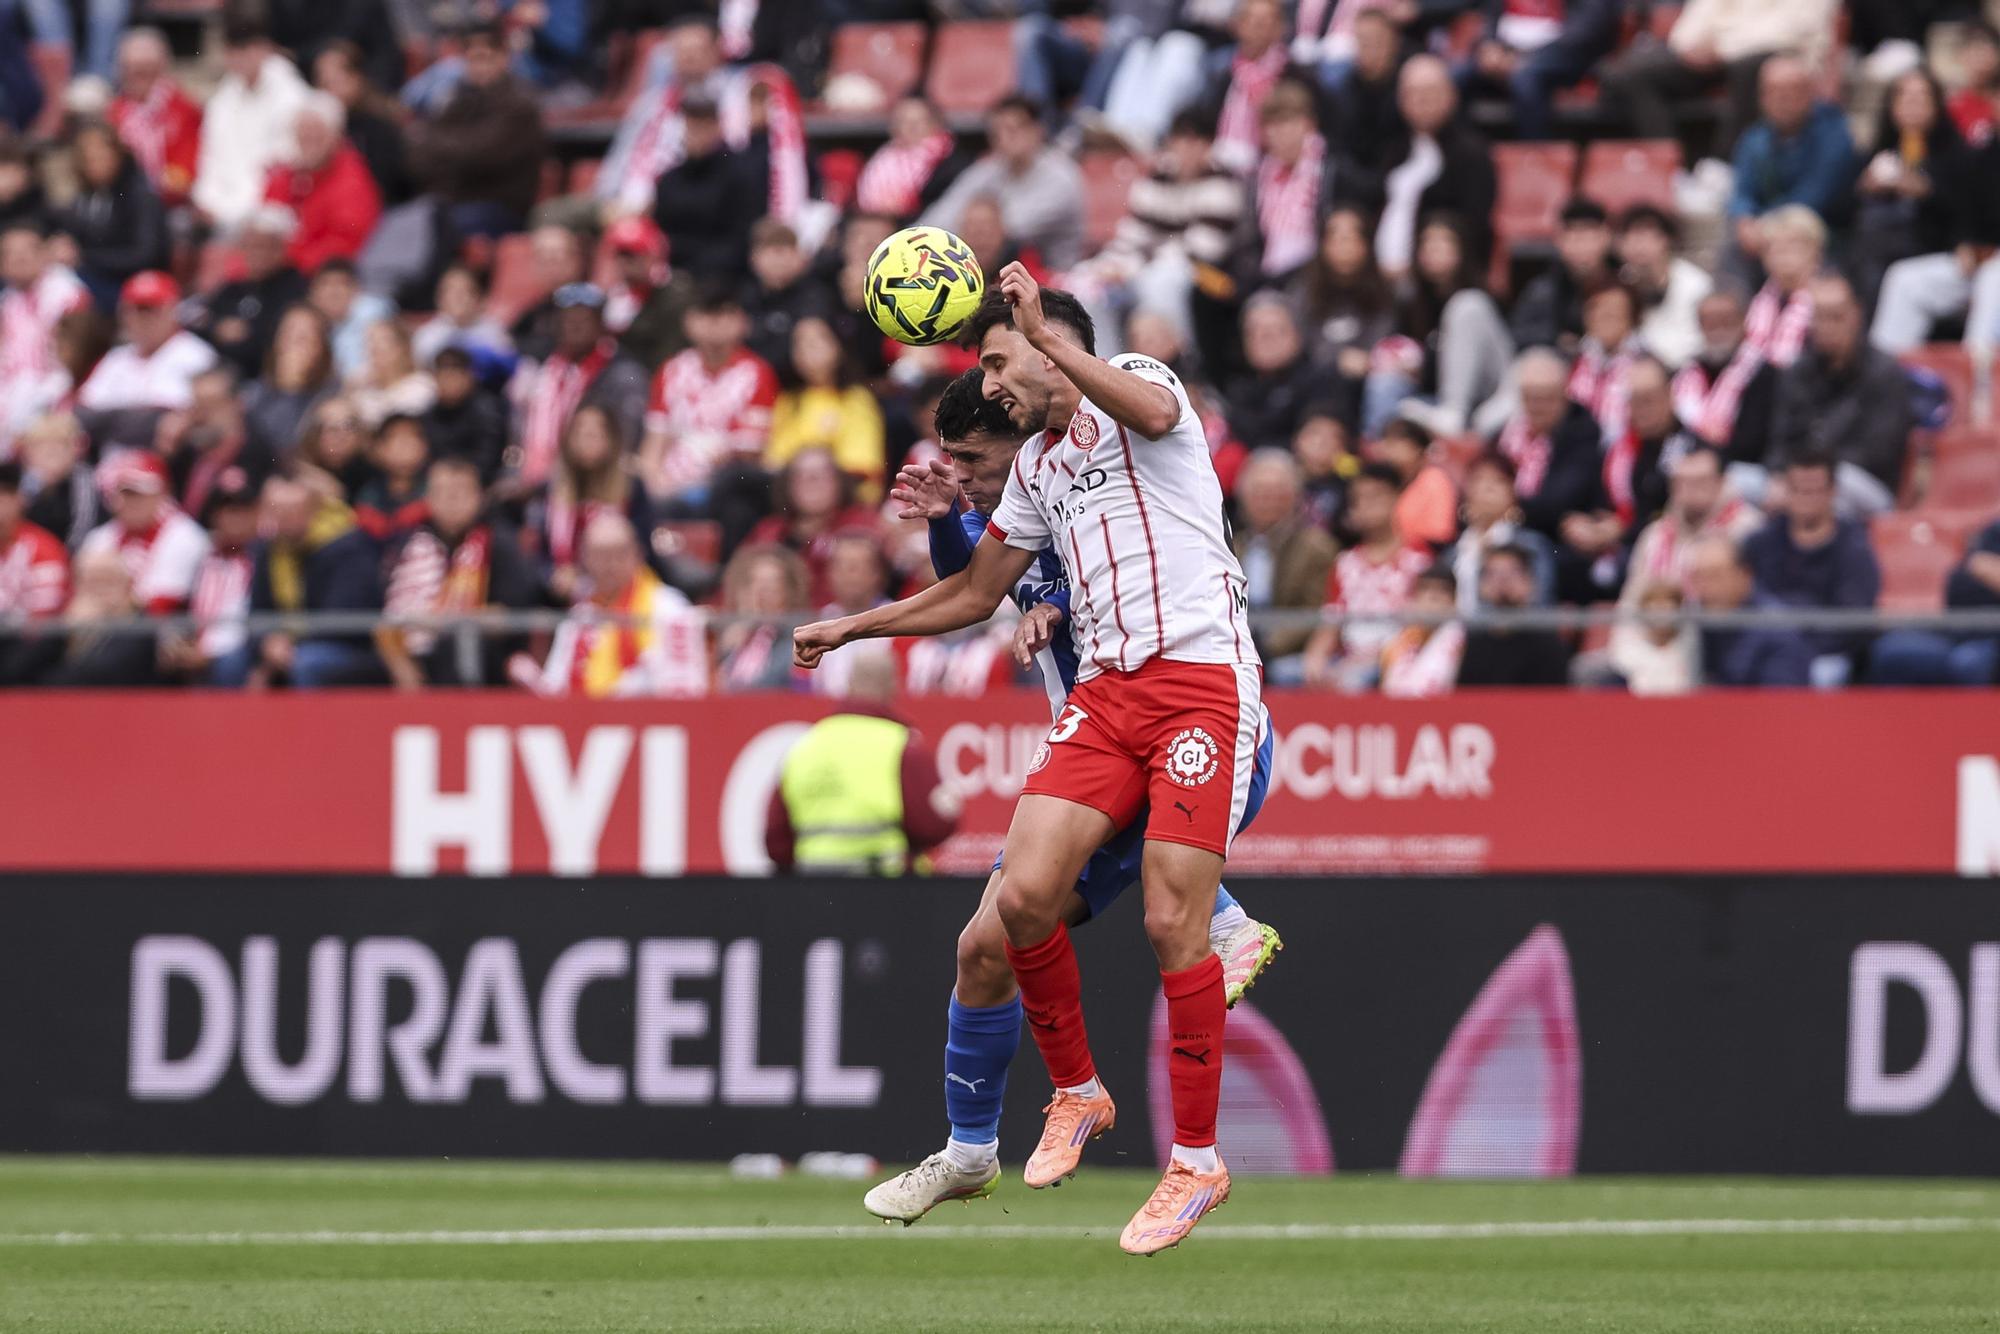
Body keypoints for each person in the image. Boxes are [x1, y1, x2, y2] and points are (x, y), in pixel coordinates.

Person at [793, 273, 1264, 1254]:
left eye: (1000, 361)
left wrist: (1050, 343)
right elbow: (975, 588)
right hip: (1105, 696)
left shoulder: (1133, 386)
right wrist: (854, 625)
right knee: (1011, 907)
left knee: (1169, 917)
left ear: (1050, 348)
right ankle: (1074, 1092)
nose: (991, 381)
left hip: (1199, 680)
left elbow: (1149, 405)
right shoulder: (1035, 471)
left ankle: (1195, 1159)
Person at [1071, 110, 1245, 359]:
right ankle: (1107, 368)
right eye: (1181, 140)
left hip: (1208, 277)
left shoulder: (1223, 184)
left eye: (1195, 142)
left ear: (1209, 146)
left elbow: (1201, 251)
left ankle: (1181, 364)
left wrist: (1130, 269)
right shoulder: (1156, 179)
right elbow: (1132, 236)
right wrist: (1108, 267)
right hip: (1147, 266)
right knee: (1089, 285)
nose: (1186, 149)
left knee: (1163, 280)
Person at [765, 652, 960, 873]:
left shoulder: (804, 748)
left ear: (848, 685)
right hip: (887, 891)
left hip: (815, 889)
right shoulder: (903, 747)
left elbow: (776, 842)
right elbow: (934, 825)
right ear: (893, 685)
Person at [378, 455, 542, 689]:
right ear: (428, 499)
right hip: (416, 655)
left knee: (459, 643)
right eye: (442, 492)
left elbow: (509, 616)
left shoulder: (499, 543)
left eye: (460, 492)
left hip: (486, 661)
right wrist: (402, 667)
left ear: (479, 497)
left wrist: (447, 619)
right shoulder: (411, 546)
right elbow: (388, 619)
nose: (451, 501)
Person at [1600, 0, 1837, 162]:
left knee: (1747, 68)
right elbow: (1692, 24)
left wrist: (1723, 48)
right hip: (1723, 53)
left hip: (1786, 56)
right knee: (1633, 74)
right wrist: (1692, 45)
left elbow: (1792, 30)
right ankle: (1672, 164)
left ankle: (1724, 166)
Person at [514, 511, 705, 698]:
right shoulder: (581, 615)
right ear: (585, 559)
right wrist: (533, 680)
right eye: (600, 555)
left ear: (638, 554)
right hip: (585, 722)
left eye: (619, 553)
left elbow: (685, 689)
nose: (610, 564)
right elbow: (557, 686)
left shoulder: (670, 607)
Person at [1768, 274, 1911, 517]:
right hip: (1800, 478)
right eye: (1820, 317)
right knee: (1737, 482)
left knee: (1826, 503)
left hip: (1863, 483)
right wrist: (1781, 474)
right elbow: (1781, 440)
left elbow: (1878, 452)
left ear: (1855, 314)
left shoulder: (1885, 372)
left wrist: (1812, 474)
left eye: (1836, 317)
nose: (1827, 327)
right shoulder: (1798, 371)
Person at [1741, 452, 1882, 685]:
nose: (1806, 498)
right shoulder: (1761, 542)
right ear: (1786, 490)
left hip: (1827, 654)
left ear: (1832, 491)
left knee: (1821, 674)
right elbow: (1747, 600)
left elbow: (1855, 621)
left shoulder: (1855, 548)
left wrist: (1797, 642)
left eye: (1815, 490)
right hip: (1766, 647)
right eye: (1798, 490)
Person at [1348, 55, 1496, 278]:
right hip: (1377, 279)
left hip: (1440, 281)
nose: (1421, 100)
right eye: (1412, 93)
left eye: (1430, 91)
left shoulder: (1471, 154)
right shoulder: (1393, 150)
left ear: (1451, 95)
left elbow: (1474, 226)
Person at [640, 285, 780, 512]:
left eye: (724, 314)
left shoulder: (756, 373)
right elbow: (654, 443)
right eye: (706, 313)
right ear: (688, 322)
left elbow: (749, 449)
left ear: (742, 322)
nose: (715, 324)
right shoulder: (673, 370)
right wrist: (652, 482)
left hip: (723, 487)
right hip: (668, 487)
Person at [1373, 211, 1512, 439]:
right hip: (1433, 399)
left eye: (1443, 241)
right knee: (1385, 385)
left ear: (1462, 249)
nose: (1432, 248)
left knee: (1466, 305)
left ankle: (1454, 411)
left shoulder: (1482, 298)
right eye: (1426, 241)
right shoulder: (1413, 303)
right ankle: (1381, 448)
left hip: (1490, 398)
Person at [404, 22, 546, 239]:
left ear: (504, 57)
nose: (480, 67)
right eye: (472, 60)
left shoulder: (520, 104)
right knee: (406, 218)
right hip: (452, 199)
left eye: (486, 58)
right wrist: (447, 144)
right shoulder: (459, 99)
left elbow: (483, 154)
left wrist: (437, 143)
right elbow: (419, 152)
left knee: (438, 226)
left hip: (501, 206)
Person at [507, 283, 649, 496]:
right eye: (568, 319)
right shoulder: (539, 368)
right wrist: (512, 473)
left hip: (593, 481)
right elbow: (516, 434)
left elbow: (625, 441)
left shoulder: (624, 373)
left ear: (601, 324)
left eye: (584, 319)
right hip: (531, 478)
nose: (574, 326)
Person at [246, 471, 383, 688]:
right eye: (275, 510)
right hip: (290, 644)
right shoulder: (268, 550)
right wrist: (266, 643)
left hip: (349, 648)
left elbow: (343, 619)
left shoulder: (347, 546)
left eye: (290, 511)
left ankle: (309, 722)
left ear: (312, 510)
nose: (280, 518)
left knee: (307, 663)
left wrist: (288, 643)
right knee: (230, 662)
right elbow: (256, 612)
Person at [1301, 462, 1429, 691]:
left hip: (1399, 658)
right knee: (1286, 673)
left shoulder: (1420, 560)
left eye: (1376, 496)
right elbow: (1331, 620)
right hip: (1349, 661)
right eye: (1360, 500)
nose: (1368, 506)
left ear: (1396, 498)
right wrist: (1315, 658)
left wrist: (1389, 656)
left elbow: (1424, 622)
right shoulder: (1345, 564)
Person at [1725, 56, 1856, 279]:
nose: (1782, 99)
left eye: (1792, 90)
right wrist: (1744, 219)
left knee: (1794, 237)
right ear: (1762, 97)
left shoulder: (1835, 133)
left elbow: (1815, 195)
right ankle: (1743, 310)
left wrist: (1765, 225)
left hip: (1827, 230)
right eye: (1773, 91)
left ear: (1810, 93)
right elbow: (1741, 192)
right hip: (1766, 231)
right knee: (1730, 243)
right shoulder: (1754, 138)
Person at [922, 96, 1086, 272]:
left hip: (1054, 279)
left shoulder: (1062, 177)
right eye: (997, 131)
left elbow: (995, 233)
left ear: (1038, 130)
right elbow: (941, 214)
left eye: (1013, 129)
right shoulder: (989, 168)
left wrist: (965, 229)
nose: (1005, 138)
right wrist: (915, 240)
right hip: (1000, 275)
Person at [192, 15, 312, 233]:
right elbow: (210, 158)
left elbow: (284, 162)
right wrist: (208, 201)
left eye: (246, 49)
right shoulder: (222, 100)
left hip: (271, 213)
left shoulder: (292, 96)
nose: (239, 58)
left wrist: (238, 211)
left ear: (264, 49)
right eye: (232, 51)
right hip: (222, 213)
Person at [534, 403, 655, 602]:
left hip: (621, 586)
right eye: (580, 432)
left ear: (612, 439)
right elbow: (541, 554)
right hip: (563, 595)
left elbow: (642, 548)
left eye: (596, 433)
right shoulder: (551, 489)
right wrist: (553, 577)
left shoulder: (631, 486)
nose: (587, 440)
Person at [1230, 446, 1336, 672]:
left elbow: (1315, 612)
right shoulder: (1230, 545)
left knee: (1286, 672)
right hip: (1235, 648)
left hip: (1287, 653)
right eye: (1259, 492)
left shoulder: (1315, 547)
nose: (1267, 501)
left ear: (1294, 498)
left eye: (1277, 493)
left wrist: (1265, 648)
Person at [75, 271, 217, 437]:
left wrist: (114, 420)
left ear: (171, 309)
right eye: (131, 309)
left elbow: (174, 420)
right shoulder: (116, 358)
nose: (138, 318)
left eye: (147, 308)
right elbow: (83, 416)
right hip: (111, 457)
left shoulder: (196, 355)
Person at [1620, 443, 1762, 605]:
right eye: (1681, 482)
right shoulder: (1655, 535)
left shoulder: (1749, 529)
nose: (1689, 491)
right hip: (1660, 627)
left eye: (1700, 482)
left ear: (1721, 482)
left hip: (1727, 625)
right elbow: (1632, 599)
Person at [1455, 0, 1618, 141]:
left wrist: (1526, 57)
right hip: (1505, 53)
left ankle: (1534, 161)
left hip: (1560, 57)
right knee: (1456, 77)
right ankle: (1455, 161)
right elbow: (1491, 17)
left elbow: (1586, 29)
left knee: (1524, 80)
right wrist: (1489, 45)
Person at [1870, 516, 2000, 686]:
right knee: (1892, 649)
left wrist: (1989, 570)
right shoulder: (1995, 529)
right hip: (1954, 626)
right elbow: (1977, 562)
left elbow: (1983, 566)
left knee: (1968, 663)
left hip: (1992, 636)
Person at [263, 92, 381, 276]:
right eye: (303, 132)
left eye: (317, 133)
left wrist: (285, 260)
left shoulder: (351, 182)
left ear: (336, 136)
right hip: (279, 268)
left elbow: (344, 245)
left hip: (318, 277)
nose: (308, 138)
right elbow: (264, 222)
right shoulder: (286, 174)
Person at [54, 121, 168, 310]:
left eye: (101, 156)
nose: (94, 164)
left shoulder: (139, 196)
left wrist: (85, 258)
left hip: (129, 285)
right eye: (88, 159)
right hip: (95, 279)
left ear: (118, 155)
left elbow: (145, 255)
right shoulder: (86, 198)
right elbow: (72, 235)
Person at [77, 452, 209, 613]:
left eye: (139, 494)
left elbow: (163, 604)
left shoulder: (185, 536)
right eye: (125, 493)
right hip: (105, 625)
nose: (131, 502)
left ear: (161, 494)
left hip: (159, 630)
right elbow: (81, 596)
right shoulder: (101, 536)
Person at [650, 93, 761, 284]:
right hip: (671, 276)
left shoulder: (741, 174)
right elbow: (659, 236)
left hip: (722, 279)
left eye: (704, 125)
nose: (697, 133)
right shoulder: (669, 180)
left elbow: (741, 241)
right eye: (691, 125)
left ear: (717, 126)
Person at [188, 204, 306, 380]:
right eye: (251, 246)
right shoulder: (233, 288)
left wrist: (245, 333)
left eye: (266, 246)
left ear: (282, 249)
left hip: (264, 377)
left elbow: (275, 338)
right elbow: (199, 324)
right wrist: (217, 329)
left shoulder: (295, 288)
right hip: (219, 372)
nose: (258, 254)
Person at [1686, 532, 1813, 686]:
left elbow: (1782, 703)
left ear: (1744, 575)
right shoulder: (1694, 624)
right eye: (1697, 577)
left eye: (1715, 576)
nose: (1704, 588)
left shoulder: (1778, 631)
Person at [1671, 286, 1777, 465]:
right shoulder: (1686, 375)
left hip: (1742, 466)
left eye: (1726, 320)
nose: (1718, 328)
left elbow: (1752, 441)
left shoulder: (1761, 371)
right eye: (1709, 322)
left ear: (1743, 320)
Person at [1441, 451, 1555, 611]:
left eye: (1498, 481)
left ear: (1513, 493)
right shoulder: (1453, 552)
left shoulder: (1532, 545)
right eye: (1479, 480)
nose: (1488, 488)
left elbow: (1540, 604)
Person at [108, 28, 201, 210]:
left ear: (161, 68)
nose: (138, 77)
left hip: (174, 202)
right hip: (126, 204)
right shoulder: (114, 112)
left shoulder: (183, 109)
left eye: (146, 70)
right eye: (132, 69)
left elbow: (189, 162)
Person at [1509, 197, 1614, 355]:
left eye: (1588, 237)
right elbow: (1518, 335)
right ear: (1559, 241)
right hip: (1557, 363)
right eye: (1573, 238)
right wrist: (1556, 339)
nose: (1581, 248)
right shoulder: (1543, 290)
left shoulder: (1624, 284)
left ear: (1606, 237)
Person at [1456, 544, 1569, 686]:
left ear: (1530, 581)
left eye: (1512, 572)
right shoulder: (1473, 644)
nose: (1502, 581)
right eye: (1493, 573)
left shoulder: (1548, 645)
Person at [1225, 294, 1323, 454]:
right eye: (1255, 332)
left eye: (1276, 330)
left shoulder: (1321, 382)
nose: (1265, 338)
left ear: (1298, 335)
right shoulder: (1238, 389)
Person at [0, 457, 69, 682]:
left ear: (19, 499)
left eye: (4, 495)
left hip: (26, 643)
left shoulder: (43, 547)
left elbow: (42, 620)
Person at [1617, 205, 1711, 369]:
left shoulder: (1696, 283)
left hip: (1684, 370)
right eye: (1631, 238)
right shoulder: (1618, 283)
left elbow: (1698, 343)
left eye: (1646, 237)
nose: (1639, 246)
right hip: (1630, 372)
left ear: (1666, 240)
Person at [854, 98, 966, 223]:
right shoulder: (878, 160)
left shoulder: (953, 164)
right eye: (903, 121)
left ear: (937, 124)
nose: (911, 127)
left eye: (919, 121)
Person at [714, 542, 808, 691]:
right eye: (753, 585)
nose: (760, 596)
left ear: (789, 593)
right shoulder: (731, 639)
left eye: (771, 588)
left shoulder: (795, 644)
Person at [422, 345, 508, 483]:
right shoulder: (429, 414)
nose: (448, 381)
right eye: (442, 375)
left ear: (469, 376)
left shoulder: (488, 413)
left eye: (454, 375)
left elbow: (488, 461)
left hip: (480, 487)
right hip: (438, 485)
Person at [1378, 563, 1464, 696]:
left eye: (1442, 591)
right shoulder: (1395, 642)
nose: (1433, 597)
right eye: (1425, 589)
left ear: (1453, 600)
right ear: (1415, 598)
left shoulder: (1464, 640)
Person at [1376, 417, 1456, 550]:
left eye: (1395, 442)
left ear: (1417, 448)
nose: (1387, 450)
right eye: (1386, 442)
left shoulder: (1435, 480)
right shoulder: (1383, 483)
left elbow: (1440, 534)